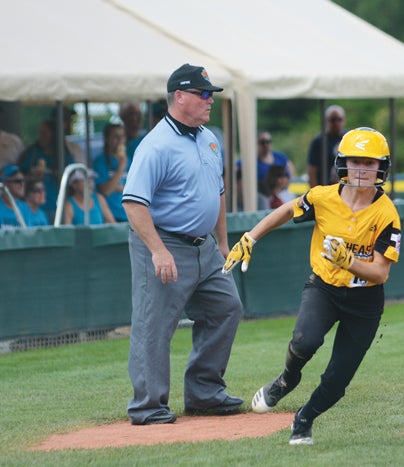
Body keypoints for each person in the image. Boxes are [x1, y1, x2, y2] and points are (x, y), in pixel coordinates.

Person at [223, 127, 401, 445]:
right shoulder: (322, 196)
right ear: (342, 163)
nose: (362, 168)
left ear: (382, 168)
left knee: (337, 380)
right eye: (355, 160)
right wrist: (251, 235)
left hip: (365, 301)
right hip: (325, 288)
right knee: (304, 342)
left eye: (370, 162)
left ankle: (304, 418)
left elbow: (380, 273)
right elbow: (286, 210)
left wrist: (349, 261)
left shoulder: (387, 213)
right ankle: (287, 379)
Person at [121, 63, 244, 425]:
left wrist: (222, 241)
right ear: (179, 97)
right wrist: (158, 250)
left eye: (211, 94)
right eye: (203, 94)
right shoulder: (156, 145)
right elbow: (133, 202)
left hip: (204, 246)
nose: (210, 100)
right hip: (164, 242)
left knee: (227, 307)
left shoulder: (209, 137)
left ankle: (204, 392)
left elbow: (217, 193)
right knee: (154, 324)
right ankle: (147, 406)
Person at [17, 119, 75, 222]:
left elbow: (74, 179)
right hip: (36, 208)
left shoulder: (64, 156)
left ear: (54, 136)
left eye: (44, 133)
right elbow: (18, 177)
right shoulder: (32, 154)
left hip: (58, 206)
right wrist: (31, 177)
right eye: (40, 133)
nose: (41, 137)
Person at [93, 123, 129, 222]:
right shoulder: (100, 161)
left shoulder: (129, 160)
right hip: (110, 215)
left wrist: (116, 187)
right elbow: (106, 191)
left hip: (129, 215)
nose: (120, 140)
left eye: (122, 136)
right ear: (107, 139)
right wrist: (121, 167)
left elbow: (136, 189)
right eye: (116, 137)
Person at [307, 105, 346, 187]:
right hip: (324, 186)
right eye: (333, 120)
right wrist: (314, 190)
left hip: (344, 187)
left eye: (339, 119)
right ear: (326, 121)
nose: (336, 123)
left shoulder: (348, 139)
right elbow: (312, 169)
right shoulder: (319, 141)